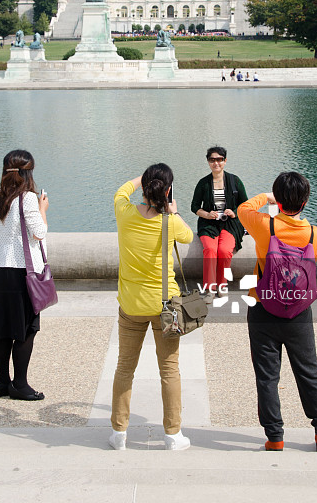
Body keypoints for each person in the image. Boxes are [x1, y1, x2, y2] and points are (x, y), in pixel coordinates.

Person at [237, 172, 317, 453]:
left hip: (263, 308)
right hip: (299, 312)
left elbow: (244, 208)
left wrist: (268, 197)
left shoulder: (264, 226)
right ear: (305, 201)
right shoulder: (314, 234)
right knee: (308, 369)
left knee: (267, 375)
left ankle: (275, 436)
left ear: (279, 201)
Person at [110, 164, 193, 451]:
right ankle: (172, 434)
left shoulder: (125, 213)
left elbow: (121, 191)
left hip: (131, 304)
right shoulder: (171, 222)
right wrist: (174, 210)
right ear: (168, 190)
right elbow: (189, 238)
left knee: (124, 368)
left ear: (144, 188)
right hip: (165, 306)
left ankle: (119, 432)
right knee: (169, 370)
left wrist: (141, 178)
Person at [0, 149, 49, 401]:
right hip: (21, 272)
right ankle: (20, 385)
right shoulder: (27, 199)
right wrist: (43, 207)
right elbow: (39, 233)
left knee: (2, 329)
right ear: (28, 172)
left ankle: (1, 382)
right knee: (26, 329)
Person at [191, 147, 247, 301]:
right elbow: (194, 207)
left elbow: (245, 204)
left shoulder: (235, 181)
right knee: (210, 250)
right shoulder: (203, 183)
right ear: (208, 161)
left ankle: (221, 285)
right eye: (212, 160)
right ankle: (209, 289)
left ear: (225, 161)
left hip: (230, 224)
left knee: (224, 250)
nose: (216, 163)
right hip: (208, 224)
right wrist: (207, 214)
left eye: (219, 159)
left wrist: (234, 212)